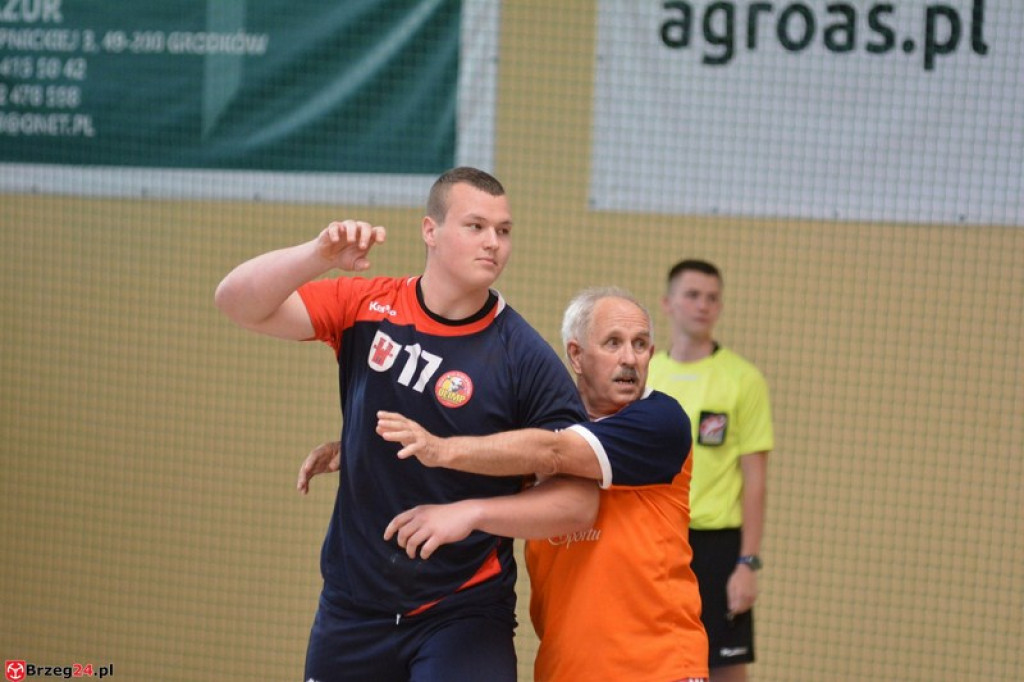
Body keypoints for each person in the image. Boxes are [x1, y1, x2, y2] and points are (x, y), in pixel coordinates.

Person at [214, 166, 598, 682]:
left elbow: (578, 502)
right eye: (476, 226)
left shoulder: (524, 356)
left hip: (462, 610)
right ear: (430, 231)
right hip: (352, 607)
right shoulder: (367, 306)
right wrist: (317, 256)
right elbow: (236, 302)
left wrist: (472, 512)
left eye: (503, 231)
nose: (493, 244)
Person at [304, 287, 710, 681]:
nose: (630, 359)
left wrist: (441, 450)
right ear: (576, 355)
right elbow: (488, 453)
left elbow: (551, 452)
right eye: (613, 343)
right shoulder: (531, 433)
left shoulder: (660, 423)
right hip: (566, 669)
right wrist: (364, 447)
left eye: (640, 345)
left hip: (660, 666)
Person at [647, 260, 775, 682]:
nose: (703, 305)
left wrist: (747, 563)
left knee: (723, 667)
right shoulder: (647, 376)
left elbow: (755, 480)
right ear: (668, 303)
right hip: (657, 544)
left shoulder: (743, 379)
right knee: (653, 660)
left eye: (712, 297)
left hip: (718, 547)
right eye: (692, 295)